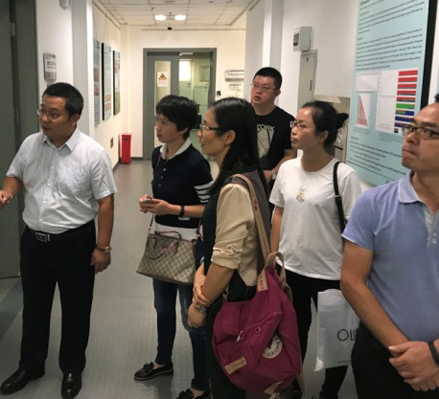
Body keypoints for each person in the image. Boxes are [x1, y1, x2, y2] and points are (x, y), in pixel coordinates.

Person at [0, 82, 117, 399]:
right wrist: (8, 191)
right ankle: (30, 365)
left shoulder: (92, 154)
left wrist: (102, 247)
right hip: (34, 242)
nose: (44, 119)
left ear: (74, 118)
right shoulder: (30, 144)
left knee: (76, 309)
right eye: (42, 111)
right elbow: (15, 175)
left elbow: (105, 202)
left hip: (74, 243)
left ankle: (72, 368)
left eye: (53, 113)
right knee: (34, 308)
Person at [341, 102, 439, 398]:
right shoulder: (374, 204)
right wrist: (407, 355)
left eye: (428, 132)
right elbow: (352, 281)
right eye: (411, 127)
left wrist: (434, 354)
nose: (411, 137)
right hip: (384, 357)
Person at [270, 101, 362, 399]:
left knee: (335, 339)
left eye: (302, 125)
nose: (294, 130)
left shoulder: (343, 175)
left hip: (331, 274)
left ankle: (328, 393)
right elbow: (279, 212)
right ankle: (293, 386)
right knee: (293, 334)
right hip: (291, 269)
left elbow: (355, 231)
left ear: (322, 136)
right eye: (294, 124)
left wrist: (352, 274)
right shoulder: (287, 169)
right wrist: (273, 257)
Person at [187, 97, 270, 399]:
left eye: (206, 127)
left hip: (232, 302)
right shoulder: (250, 175)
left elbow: (226, 260)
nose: (200, 133)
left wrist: (200, 305)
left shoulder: (234, 187)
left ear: (229, 136)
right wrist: (202, 270)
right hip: (239, 292)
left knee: (226, 383)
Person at [134, 95, 213, 399]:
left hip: (189, 246)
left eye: (164, 123)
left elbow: (208, 209)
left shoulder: (196, 163)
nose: (157, 127)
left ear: (182, 129)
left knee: (191, 316)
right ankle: (162, 360)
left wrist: (173, 208)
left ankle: (201, 383)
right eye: (157, 120)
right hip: (162, 241)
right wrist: (151, 203)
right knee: (162, 307)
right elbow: (162, 194)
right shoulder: (158, 154)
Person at [250, 67, 297, 188]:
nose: (258, 91)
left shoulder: (286, 120)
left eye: (265, 88)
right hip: (240, 178)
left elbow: (290, 155)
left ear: (277, 93)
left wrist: (272, 173)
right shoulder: (240, 114)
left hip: (270, 183)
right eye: (255, 85)